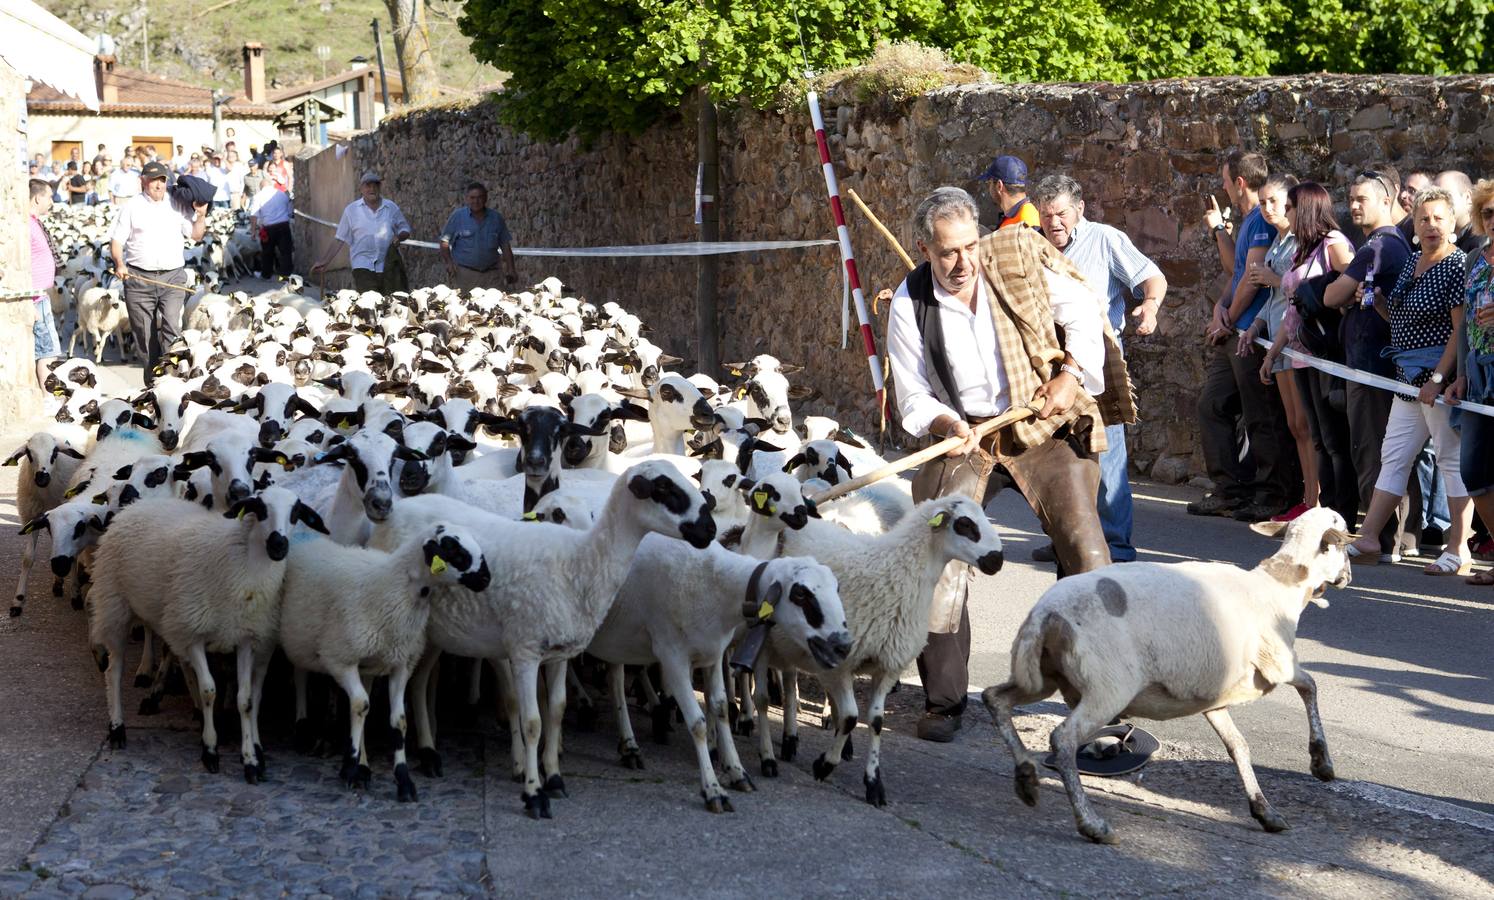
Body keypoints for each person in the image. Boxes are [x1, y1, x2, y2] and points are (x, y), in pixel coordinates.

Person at [886, 187, 1126, 741]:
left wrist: (1071, 376)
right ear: (925, 248)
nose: (962, 262)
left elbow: (1085, 315)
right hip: (967, 437)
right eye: (947, 252)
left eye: (970, 246)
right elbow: (912, 396)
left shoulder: (1015, 260)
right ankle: (944, 702)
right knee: (938, 555)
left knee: (1087, 550)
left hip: (1038, 426)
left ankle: (1101, 696)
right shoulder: (909, 299)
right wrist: (946, 424)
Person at [1030, 174, 1166, 564]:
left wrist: (1150, 306)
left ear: (1080, 210)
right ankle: (1066, 541)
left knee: (1108, 454)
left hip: (1099, 358)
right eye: (1046, 214)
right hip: (1051, 362)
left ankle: (1116, 547)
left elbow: (1151, 277)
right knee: (1055, 454)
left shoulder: (1105, 239)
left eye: (1061, 213)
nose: (1053, 222)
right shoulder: (1033, 244)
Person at [1346, 187, 1473, 576]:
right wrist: (1378, 303)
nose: (1431, 225)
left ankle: (1459, 548)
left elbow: (1459, 330)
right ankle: (1368, 538)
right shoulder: (1413, 260)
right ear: (1413, 225)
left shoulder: (1457, 265)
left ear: (1452, 223)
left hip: (1439, 379)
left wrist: (1439, 377)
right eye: (1423, 218)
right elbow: (1400, 321)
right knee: (1394, 456)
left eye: (1438, 218)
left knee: (1450, 460)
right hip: (1406, 379)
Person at [1190, 150, 1297, 520]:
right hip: (1238, 327)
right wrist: (1222, 304)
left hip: (1254, 332)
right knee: (1212, 404)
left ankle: (1273, 494)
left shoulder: (1263, 221)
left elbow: (1253, 280)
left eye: (1224, 180)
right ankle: (1230, 489)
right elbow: (1234, 269)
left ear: (1238, 182)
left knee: (1261, 416)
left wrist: (1228, 320)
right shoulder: (1249, 220)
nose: (1222, 186)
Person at [1251, 180, 1355, 523]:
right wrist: (1271, 354)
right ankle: (1315, 506)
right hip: (1299, 351)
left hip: (1325, 354)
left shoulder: (1334, 244)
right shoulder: (1303, 250)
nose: (1286, 213)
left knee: (1331, 438)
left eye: (1291, 207)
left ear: (1305, 209)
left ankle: (1337, 513)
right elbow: (1294, 311)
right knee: (1314, 435)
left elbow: (1354, 290)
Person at [1324, 170, 1415, 559]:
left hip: (1373, 366)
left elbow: (1331, 295)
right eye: (1351, 198)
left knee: (1372, 450)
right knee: (1390, 451)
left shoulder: (1379, 246)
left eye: (1363, 198)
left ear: (1386, 200)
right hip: (1372, 362)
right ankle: (1401, 538)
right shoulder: (1387, 247)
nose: (1354, 205)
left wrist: (1342, 292)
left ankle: (1383, 537)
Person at [109, 160, 208, 383]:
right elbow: (116, 241)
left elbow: (196, 235)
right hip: (138, 278)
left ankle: (172, 380)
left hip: (172, 276)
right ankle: (153, 383)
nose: (158, 185)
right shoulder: (131, 207)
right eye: (153, 180)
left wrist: (201, 216)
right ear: (143, 181)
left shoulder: (177, 204)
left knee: (172, 327)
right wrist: (119, 263)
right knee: (145, 337)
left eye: (162, 180)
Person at [1446, 178, 1494, 585]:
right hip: (1479, 376)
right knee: (1474, 470)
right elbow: (1462, 328)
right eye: (1489, 212)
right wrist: (1459, 374)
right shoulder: (1474, 258)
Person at [311, 171, 411, 293]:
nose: (372, 189)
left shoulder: (391, 208)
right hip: (362, 266)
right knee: (369, 304)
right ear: (361, 189)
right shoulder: (351, 211)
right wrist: (324, 262)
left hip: (388, 265)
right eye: (368, 185)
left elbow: (405, 229)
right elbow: (339, 239)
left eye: (375, 185)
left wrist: (399, 237)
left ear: (380, 187)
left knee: (392, 305)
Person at [439, 181, 518, 290]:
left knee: (495, 306)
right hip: (465, 275)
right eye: (472, 198)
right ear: (467, 199)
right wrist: (449, 263)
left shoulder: (496, 219)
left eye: (480, 197)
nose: (476, 201)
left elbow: (505, 245)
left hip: (492, 276)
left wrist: (511, 269)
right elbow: (444, 241)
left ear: (486, 198)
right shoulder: (458, 217)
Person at [27, 179, 61, 391]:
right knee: (47, 350)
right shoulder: (26, 225)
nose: (51, 201)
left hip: (41, 295)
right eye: (49, 197)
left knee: (47, 348)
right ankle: (48, 398)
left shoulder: (33, 222)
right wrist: (29, 302)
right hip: (35, 298)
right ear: (38, 197)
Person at [976, 155, 1040, 230]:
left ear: (999, 186)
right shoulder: (1022, 215)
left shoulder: (1026, 223)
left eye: (989, 183)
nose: (988, 188)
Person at [249, 179, 294, 279]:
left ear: (261, 187)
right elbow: (290, 209)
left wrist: (253, 231)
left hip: (268, 228)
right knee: (285, 251)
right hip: (283, 225)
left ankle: (266, 274)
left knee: (267, 252)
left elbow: (254, 215)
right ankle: (287, 273)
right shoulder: (282, 194)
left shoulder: (258, 196)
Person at [1435, 170, 1481, 254]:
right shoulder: (1440, 236)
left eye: (1446, 196)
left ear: (1468, 197)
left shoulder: (1482, 241)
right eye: (1434, 197)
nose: (1438, 204)